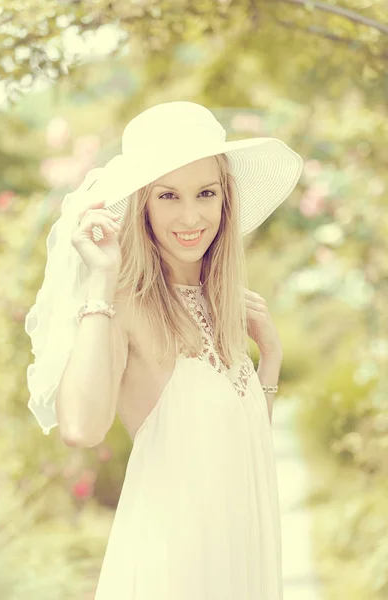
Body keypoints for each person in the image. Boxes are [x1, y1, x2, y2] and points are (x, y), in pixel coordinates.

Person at [25, 101, 303, 599]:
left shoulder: (221, 308)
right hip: (173, 567)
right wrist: (103, 280)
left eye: (205, 193)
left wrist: (271, 359)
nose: (191, 215)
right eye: (168, 195)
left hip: (238, 562)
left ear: (225, 200)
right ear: (143, 205)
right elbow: (80, 429)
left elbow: (240, 444)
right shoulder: (121, 307)